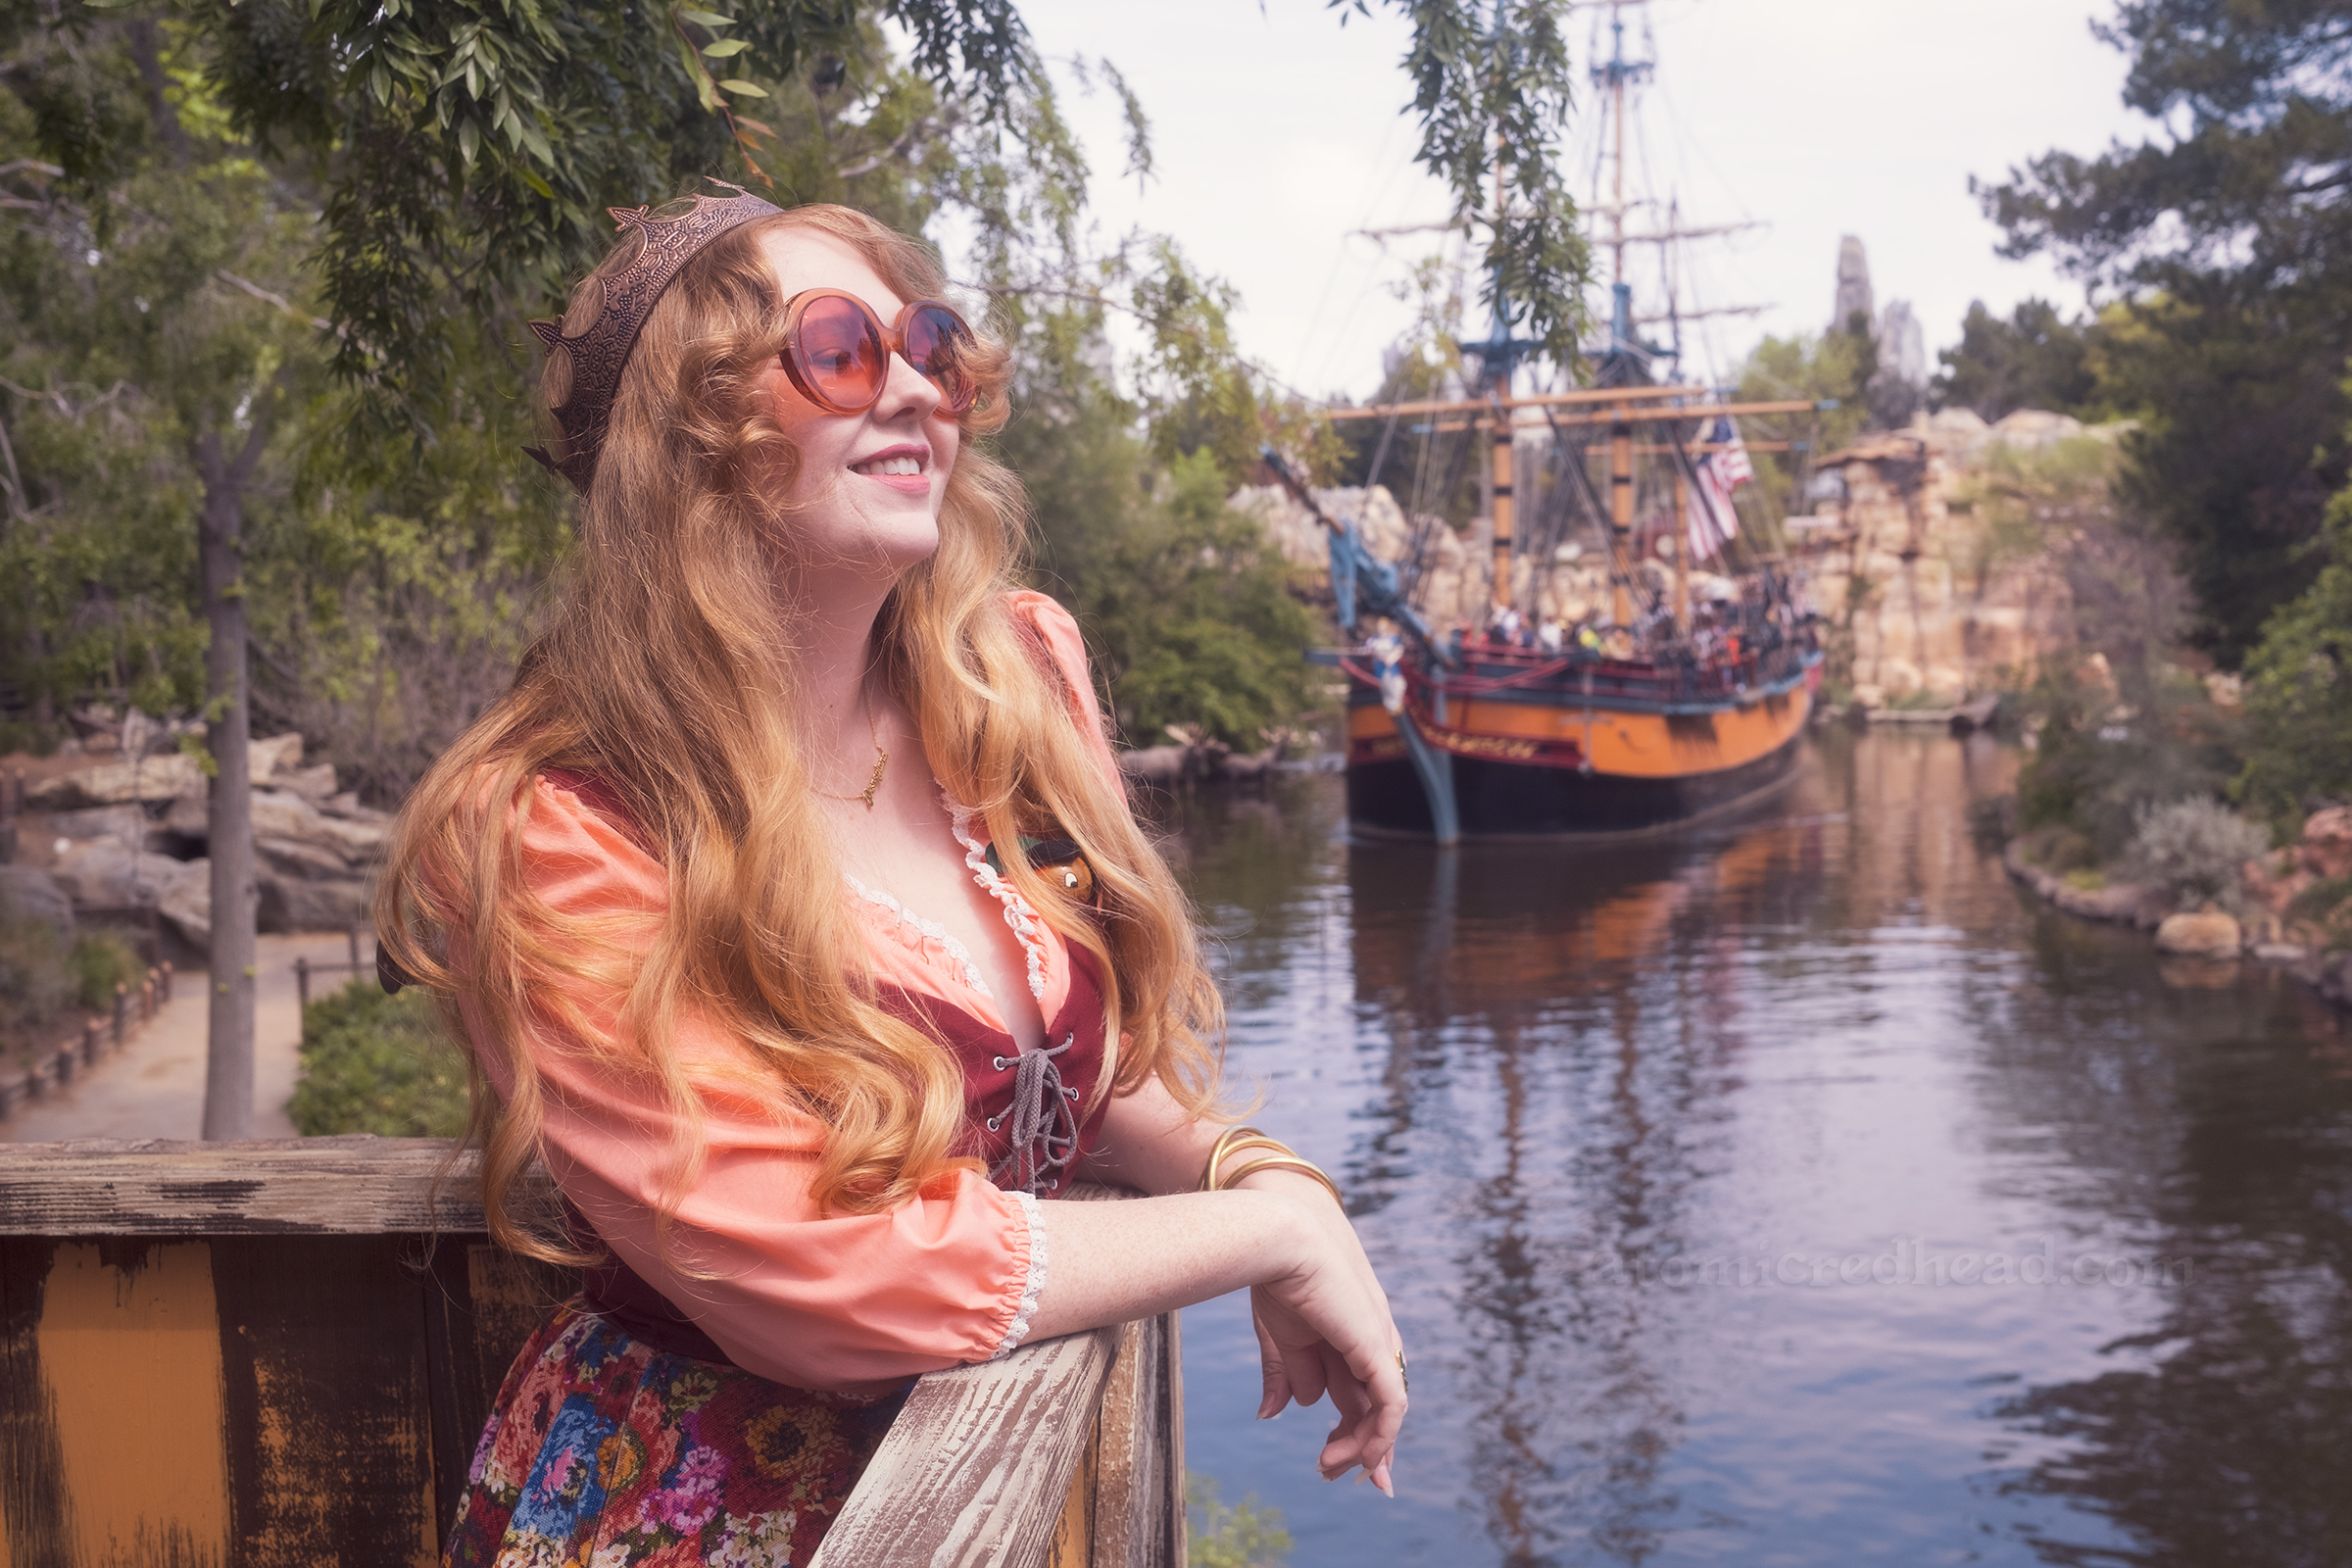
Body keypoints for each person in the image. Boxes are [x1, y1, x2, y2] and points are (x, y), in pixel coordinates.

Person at [377, 188, 1405, 1566]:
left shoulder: (1014, 682)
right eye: (841, 351)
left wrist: (1263, 1175)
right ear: (687, 439)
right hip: (701, 1516)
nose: (919, 387)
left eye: (932, 346)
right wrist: (1262, 1238)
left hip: (1023, 1495)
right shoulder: (558, 829)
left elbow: (1078, 1084)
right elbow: (820, 1278)